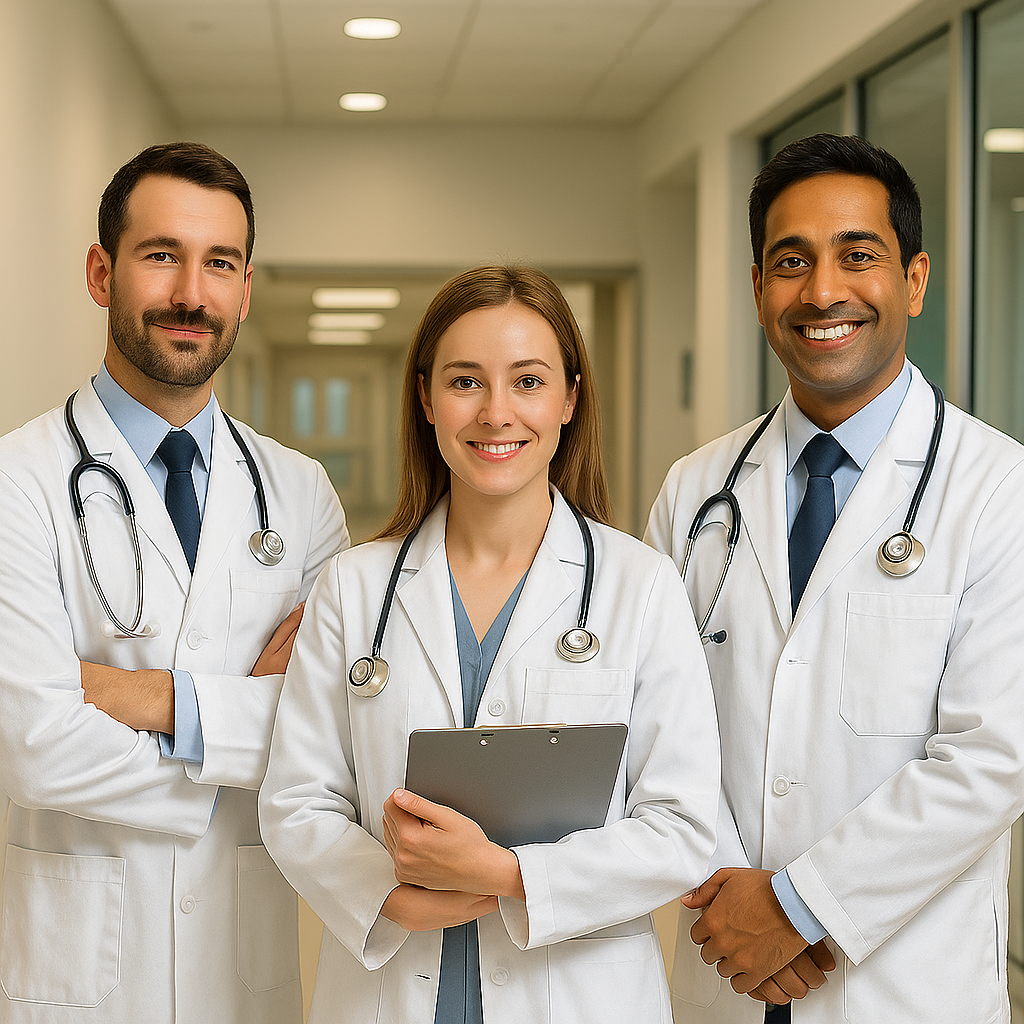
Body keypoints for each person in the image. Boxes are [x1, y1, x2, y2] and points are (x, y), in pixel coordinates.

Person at [258, 264, 721, 1024]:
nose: (496, 413)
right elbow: (297, 802)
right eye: (466, 380)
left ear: (571, 398)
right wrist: (386, 892)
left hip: (578, 995)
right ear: (426, 398)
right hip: (390, 988)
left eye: (529, 382)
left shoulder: (639, 587)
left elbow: (682, 828)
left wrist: (510, 875)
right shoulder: (354, 588)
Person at [646, 131, 1024, 1024]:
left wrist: (798, 907)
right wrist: (737, 908)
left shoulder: (998, 488)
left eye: (859, 255)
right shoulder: (697, 490)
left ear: (915, 281)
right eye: (791, 261)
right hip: (722, 965)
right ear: (757, 289)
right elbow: (655, 731)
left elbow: (991, 757)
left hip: (904, 983)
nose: (822, 291)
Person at [0, 142, 348, 1023]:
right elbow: (33, 747)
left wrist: (142, 698)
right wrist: (242, 731)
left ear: (245, 286)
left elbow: (337, 737)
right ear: (100, 271)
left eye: (219, 263)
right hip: (74, 981)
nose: (192, 292)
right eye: (162, 256)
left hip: (245, 979)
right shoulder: (18, 481)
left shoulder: (299, 492)